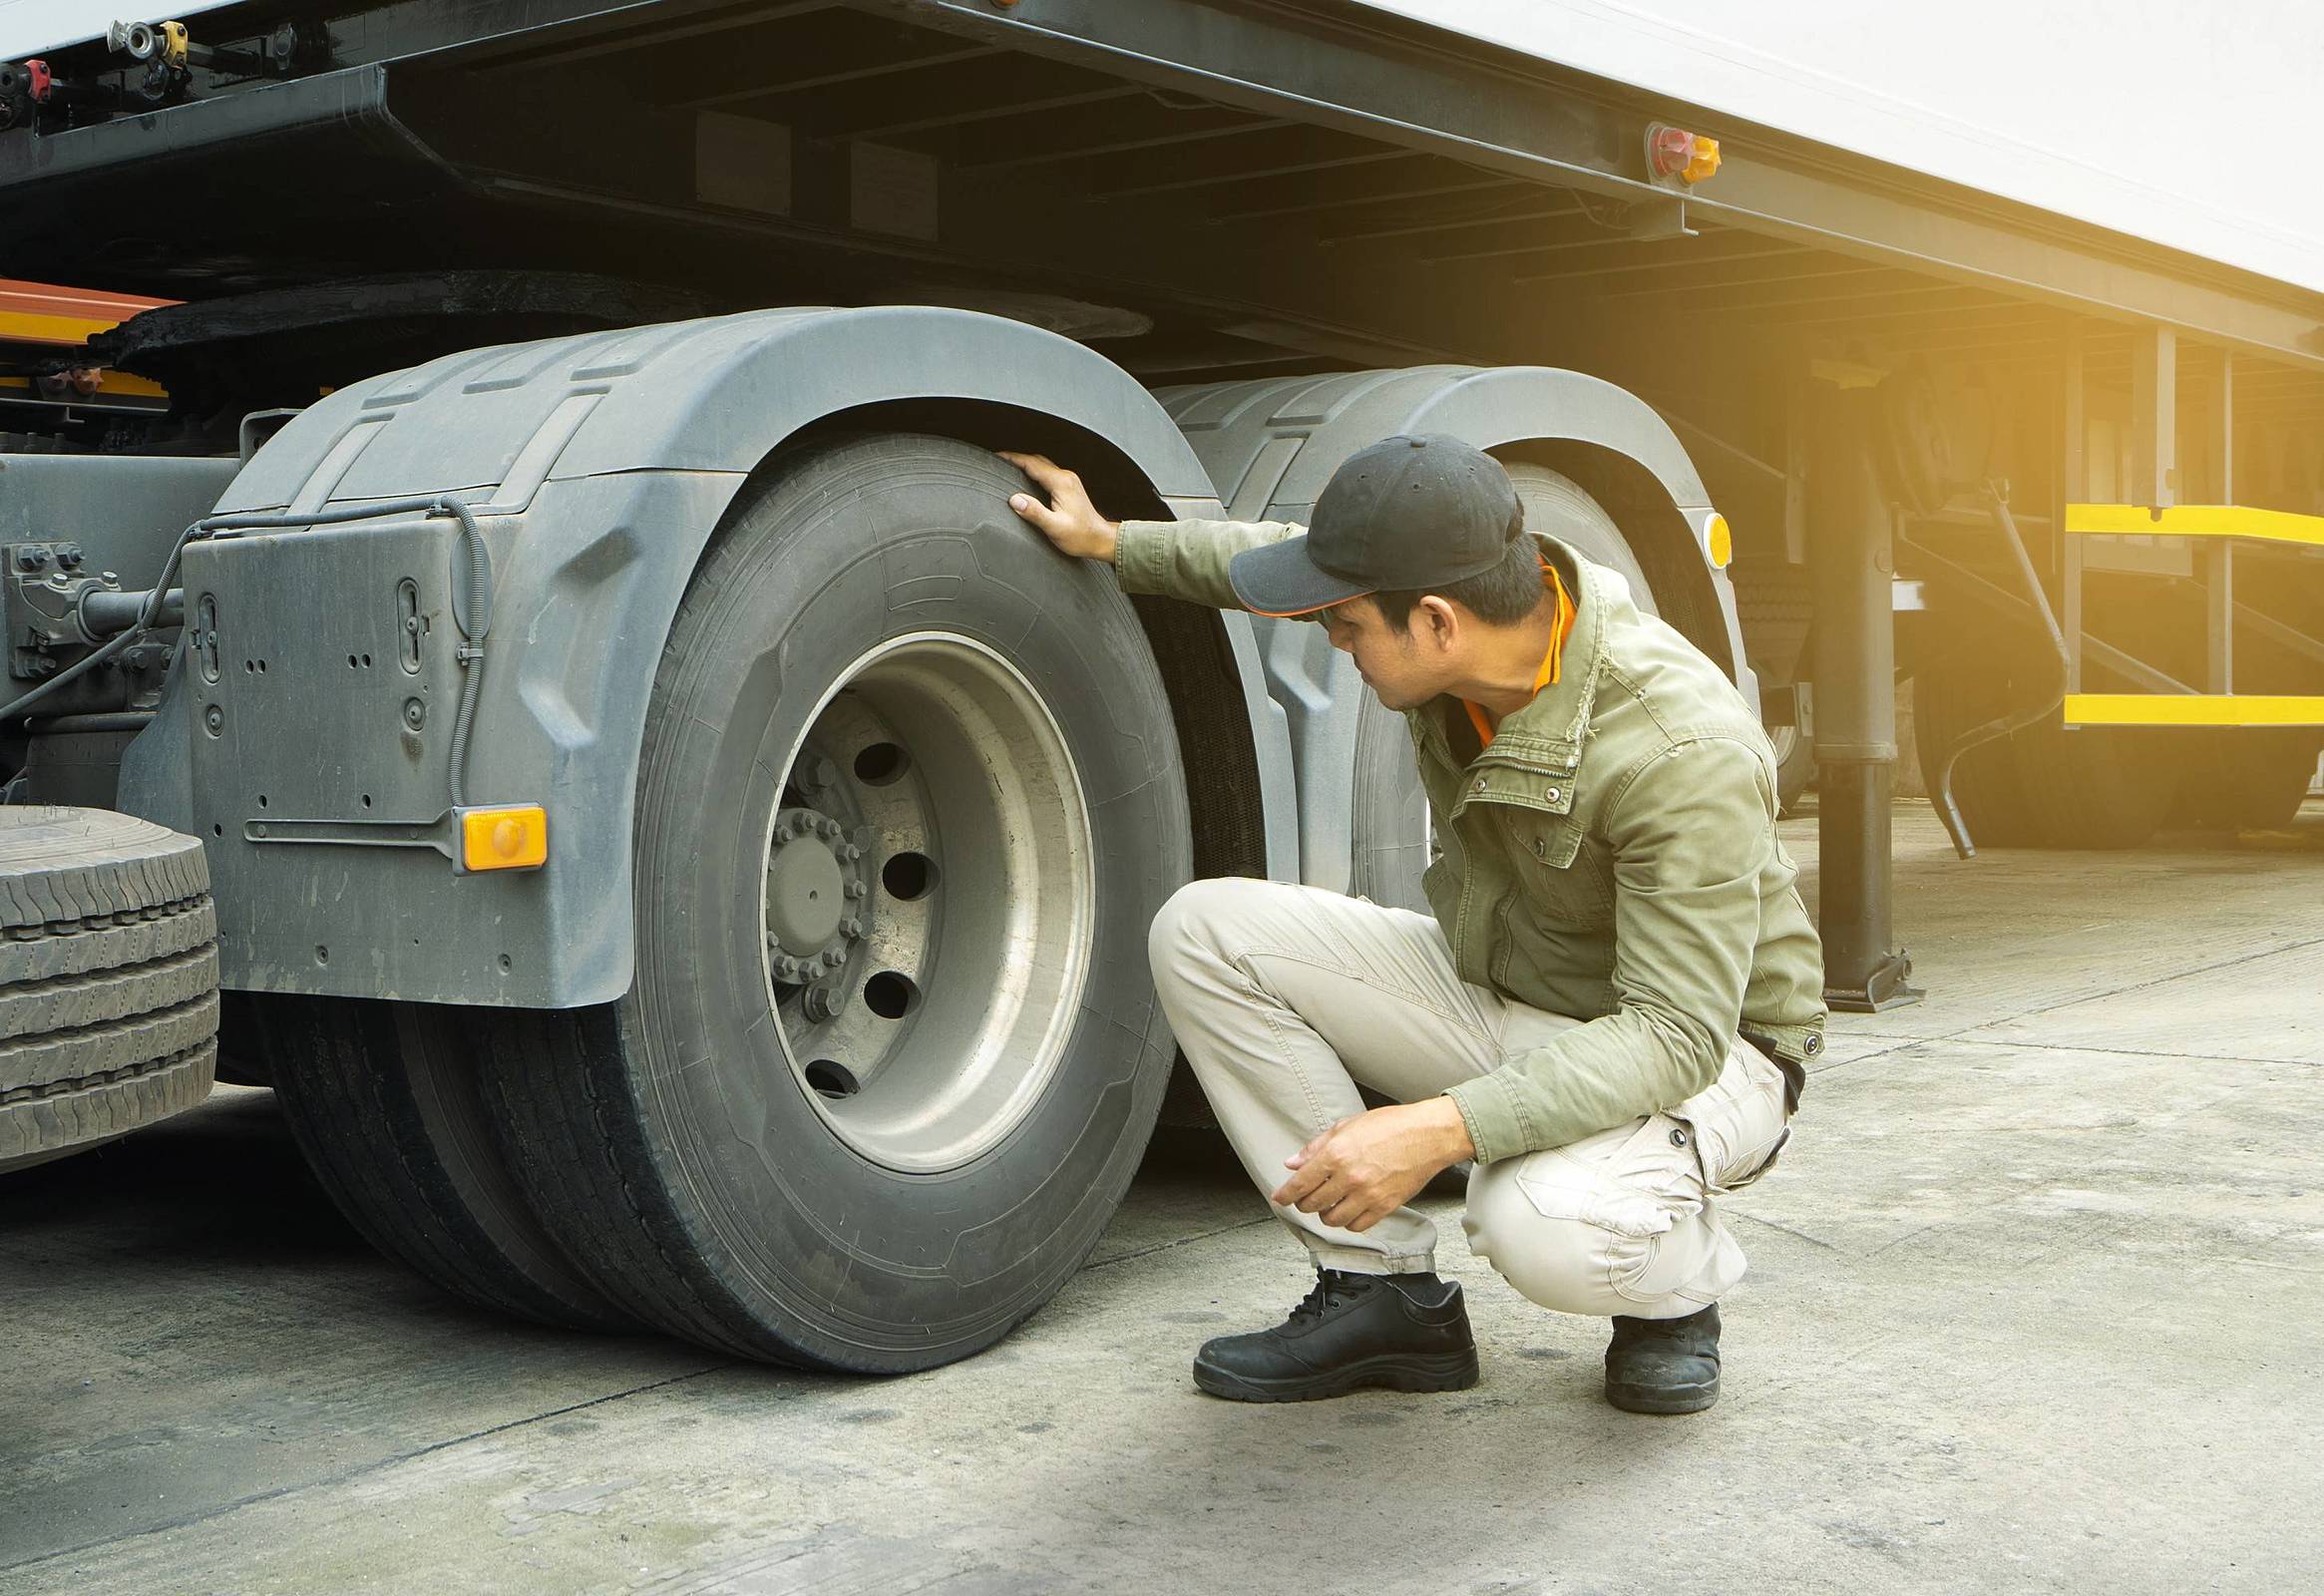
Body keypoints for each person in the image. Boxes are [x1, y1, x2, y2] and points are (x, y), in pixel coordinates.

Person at [999, 435, 1825, 1413]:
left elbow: (1671, 1034)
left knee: (1537, 1224)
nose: (1334, 643)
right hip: (1519, 989)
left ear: (1435, 621)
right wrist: (1112, 543)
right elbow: (1278, 560)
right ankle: (1381, 1297)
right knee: (1204, 931)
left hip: (1708, 1054)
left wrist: (1436, 1130)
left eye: (1347, 628)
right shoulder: (1478, 622)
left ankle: (1670, 1291)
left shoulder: (1676, 748)